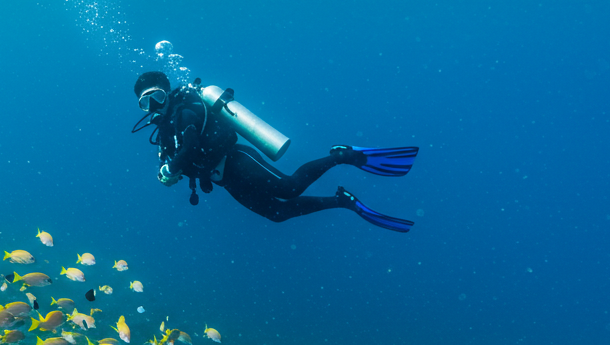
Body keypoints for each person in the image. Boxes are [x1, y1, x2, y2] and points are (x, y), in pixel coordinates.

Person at [132, 71, 418, 231]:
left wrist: (171, 169)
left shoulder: (185, 111)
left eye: (157, 97)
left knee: (290, 187)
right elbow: (181, 159)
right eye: (147, 103)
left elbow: (192, 146)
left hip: (236, 160)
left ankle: (341, 156)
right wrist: (168, 172)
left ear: (166, 92)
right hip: (224, 178)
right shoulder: (164, 131)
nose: (155, 106)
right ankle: (342, 201)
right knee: (277, 214)